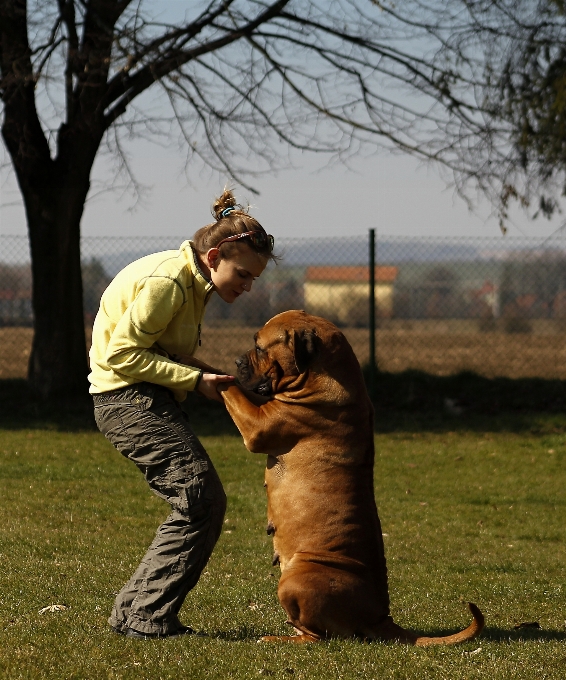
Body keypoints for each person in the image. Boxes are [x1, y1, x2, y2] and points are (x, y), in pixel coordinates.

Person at [89, 189, 276, 639]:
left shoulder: (193, 281)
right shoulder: (169, 282)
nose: (247, 285)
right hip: (127, 401)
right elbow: (121, 355)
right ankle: (148, 621)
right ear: (215, 256)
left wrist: (223, 381)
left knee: (199, 501)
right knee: (200, 500)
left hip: (144, 397)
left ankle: (131, 616)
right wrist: (196, 382)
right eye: (243, 274)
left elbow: (165, 353)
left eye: (253, 279)